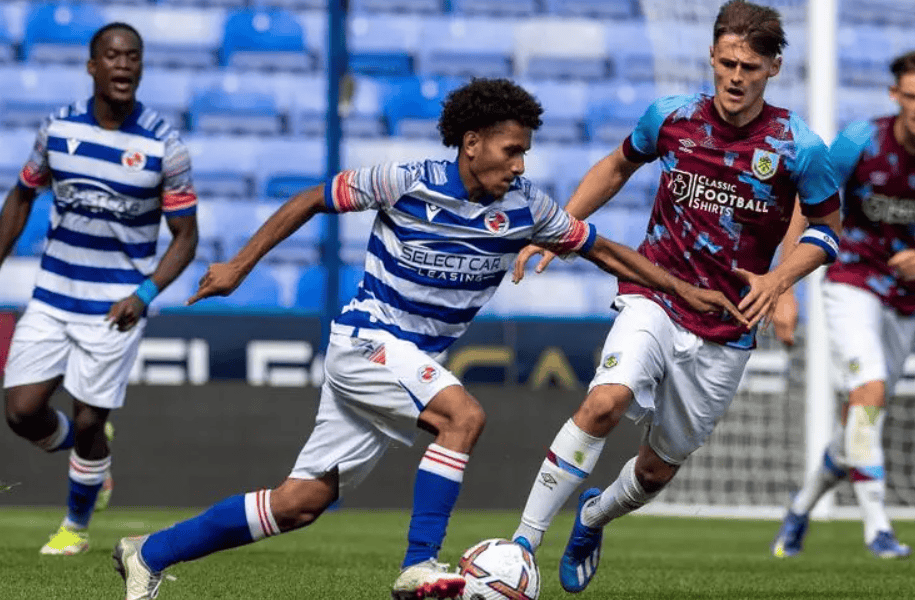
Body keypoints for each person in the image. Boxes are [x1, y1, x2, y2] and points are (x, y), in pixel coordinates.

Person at [111, 77, 745, 600]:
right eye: (511, 151)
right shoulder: (406, 180)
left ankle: (149, 554)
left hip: (407, 361)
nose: (519, 165)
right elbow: (310, 200)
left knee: (300, 502)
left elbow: (604, 250)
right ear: (472, 143)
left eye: (525, 153)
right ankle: (419, 564)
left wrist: (683, 291)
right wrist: (239, 267)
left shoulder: (526, 208)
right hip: (366, 341)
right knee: (462, 417)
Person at [508, 0, 842, 593]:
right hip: (655, 291)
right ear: (712, 57)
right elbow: (617, 166)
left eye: (750, 67)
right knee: (604, 403)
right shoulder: (671, 117)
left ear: (773, 68)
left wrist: (779, 280)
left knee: (658, 469)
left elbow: (827, 231)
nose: (735, 77)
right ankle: (522, 547)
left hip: (727, 322)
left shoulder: (799, 148)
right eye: (727, 63)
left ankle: (593, 517)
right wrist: (561, 229)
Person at [0, 23, 198, 556]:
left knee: (91, 417)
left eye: (133, 56)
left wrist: (145, 295)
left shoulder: (164, 145)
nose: (123, 64)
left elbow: (186, 237)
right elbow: (22, 196)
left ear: (142, 67)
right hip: (53, 295)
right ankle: (88, 450)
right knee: (21, 413)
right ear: (92, 66)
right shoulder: (57, 129)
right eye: (112, 55)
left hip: (116, 306)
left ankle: (74, 528)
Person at [771, 49, 915, 560]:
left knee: (860, 416)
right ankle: (878, 529)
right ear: (895, 95)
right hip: (851, 277)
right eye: (911, 97)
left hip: (908, 296)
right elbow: (807, 203)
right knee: (869, 388)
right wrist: (784, 287)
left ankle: (800, 509)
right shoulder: (859, 140)